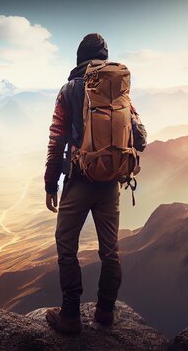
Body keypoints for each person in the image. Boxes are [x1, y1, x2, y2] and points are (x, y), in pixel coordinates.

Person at [43, 33, 146, 333]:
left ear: (79, 58)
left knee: (66, 245)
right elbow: (141, 137)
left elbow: (56, 141)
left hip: (78, 181)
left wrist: (51, 184)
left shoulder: (69, 90)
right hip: (111, 182)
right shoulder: (119, 92)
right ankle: (105, 312)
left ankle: (71, 315)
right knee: (110, 251)